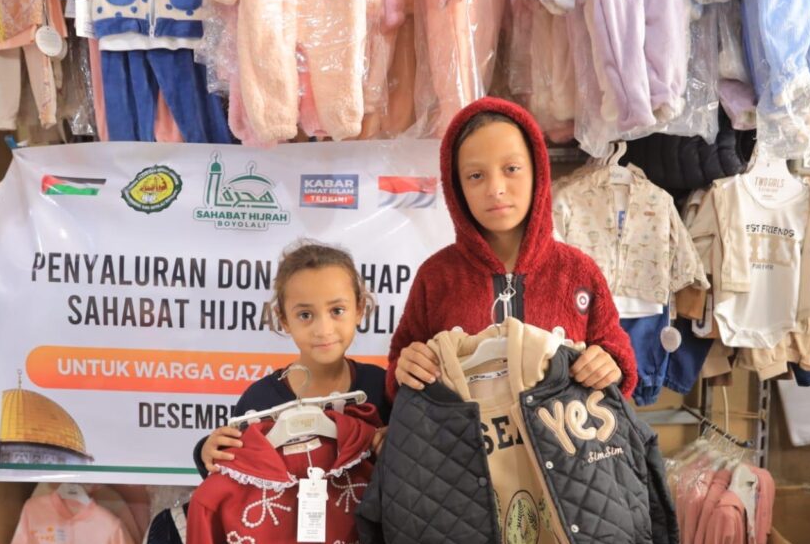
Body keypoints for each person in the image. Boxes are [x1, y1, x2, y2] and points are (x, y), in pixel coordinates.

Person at [390, 96, 638, 397]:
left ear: (537, 172)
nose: (496, 189)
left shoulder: (578, 271)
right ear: (456, 186)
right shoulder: (436, 277)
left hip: (561, 428)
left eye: (511, 168)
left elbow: (616, 355)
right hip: (464, 429)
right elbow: (399, 369)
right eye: (475, 175)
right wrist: (404, 370)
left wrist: (611, 366)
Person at [194, 241, 389, 476]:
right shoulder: (258, 400)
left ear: (359, 309)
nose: (323, 330)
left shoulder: (383, 387)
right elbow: (234, 478)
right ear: (284, 319)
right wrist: (206, 452)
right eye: (305, 315)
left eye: (337, 310)